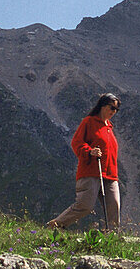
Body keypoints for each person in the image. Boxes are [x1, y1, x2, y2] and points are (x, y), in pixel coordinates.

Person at [47, 93, 121, 231]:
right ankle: (57, 224)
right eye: (112, 108)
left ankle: (112, 237)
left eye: (116, 109)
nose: (114, 112)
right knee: (85, 205)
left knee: (114, 205)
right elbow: (76, 142)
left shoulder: (109, 127)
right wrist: (89, 151)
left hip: (110, 174)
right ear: (103, 106)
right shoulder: (89, 122)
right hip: (91, 172)